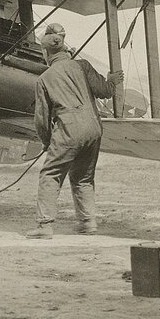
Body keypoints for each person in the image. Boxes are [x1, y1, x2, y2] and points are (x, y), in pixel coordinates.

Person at [27, 23, 123, 239]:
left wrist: (46, 142)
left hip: (69, 129)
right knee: (83, 177)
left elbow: (41, 119)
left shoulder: (43, 79)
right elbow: (104, 91)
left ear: (46, 52)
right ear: (64, 48)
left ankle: (44, 226)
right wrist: (111, 81)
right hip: (94, 128)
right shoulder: (82, 65)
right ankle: (88, 223)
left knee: (50, 174)